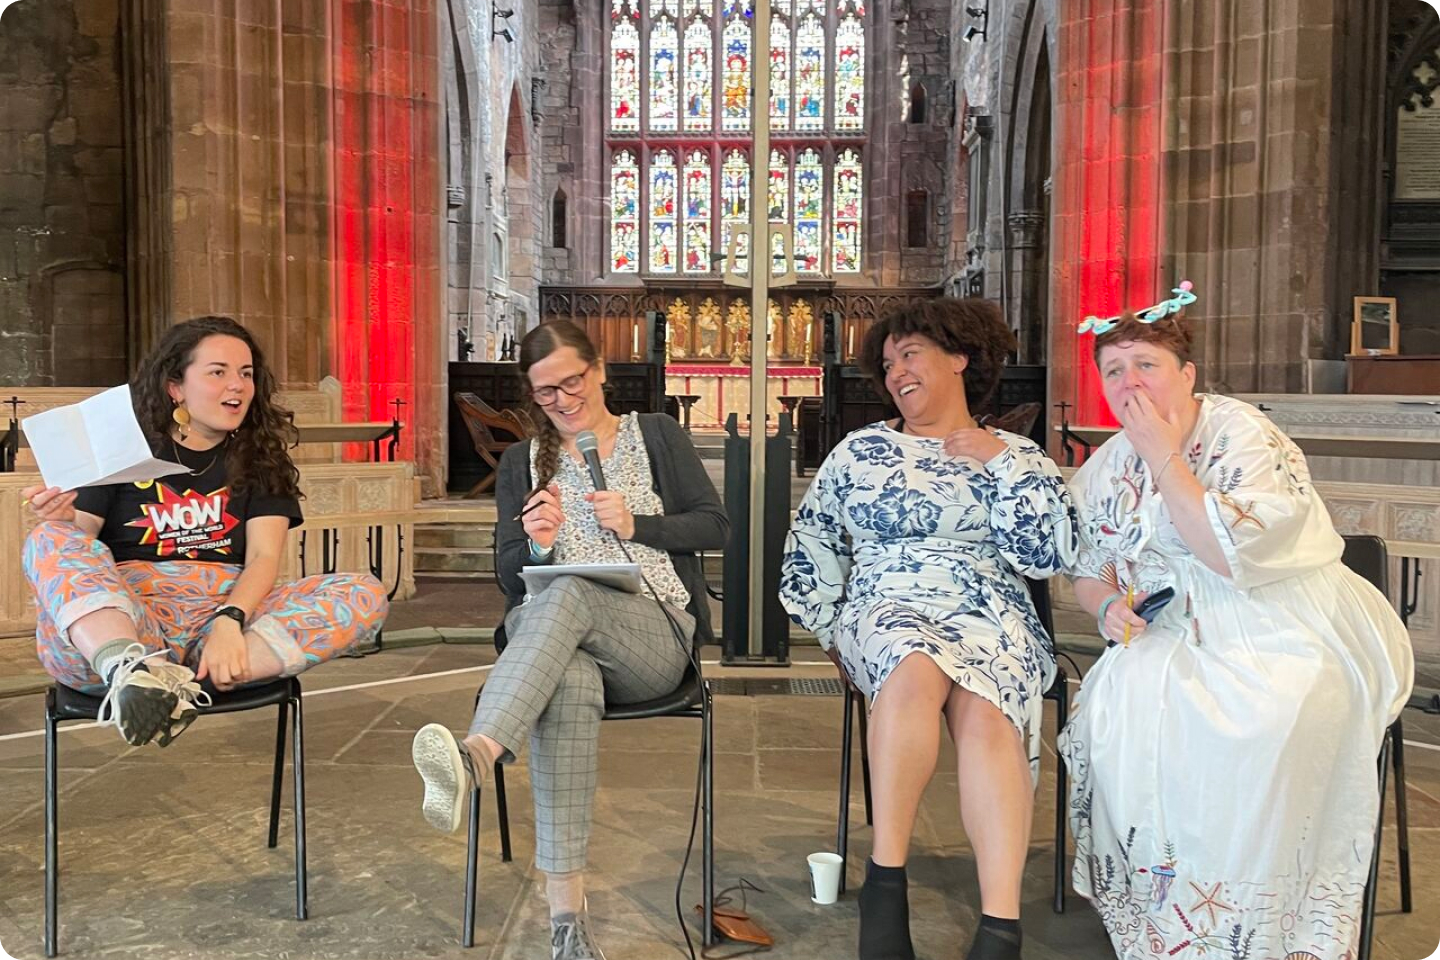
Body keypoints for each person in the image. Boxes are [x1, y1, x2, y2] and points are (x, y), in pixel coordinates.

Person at [1060, 287, 1414, 960]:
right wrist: (1107, 606)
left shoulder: (1241, 432)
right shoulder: (1108, 462)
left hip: (1280, 614)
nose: (1129, 382)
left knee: (1271, 714)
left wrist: (1164, 454)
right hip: (1174, 629)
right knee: (1124, 710)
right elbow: (1091, 565)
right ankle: (1175, 919)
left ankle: (1267, 924)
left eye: (1146, 364)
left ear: (1187, 374)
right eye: (1113, 370)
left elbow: (1227, 553)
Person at [410, 319, 727, 960]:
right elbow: (508, 576)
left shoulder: (656, 435)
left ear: (599, 370)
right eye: (545, 390)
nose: (561, 398)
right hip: (558, 649)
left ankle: (481, 749)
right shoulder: (524, 462)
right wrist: (537, 544)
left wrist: (641, 524)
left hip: (653, 634)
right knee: (568, 679)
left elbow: (716, 525)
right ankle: (567, 924)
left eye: (571, 381)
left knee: (571, 593)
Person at [780, 299, 1077, 960]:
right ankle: (886, 884)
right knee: (913, 663)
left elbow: (1047, 555)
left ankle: (1000, 927)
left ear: (960, 357)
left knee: (989, 710)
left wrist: (998, 462)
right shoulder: (862, 450)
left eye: (909, 354)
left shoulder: (1018, 453)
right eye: (887, 364)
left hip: (988, 609)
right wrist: (832, 632)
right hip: (886, 599)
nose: (896, 373)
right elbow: (812, 546)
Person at [22, 316, 389, 747]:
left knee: (364, 593)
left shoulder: (260, 461)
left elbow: (262, 560)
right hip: (128, 625)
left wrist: (229, 623)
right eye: (218, 372)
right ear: (176, 387)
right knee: (48, 538)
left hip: (219, 633)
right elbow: (79, 544)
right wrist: (61, 517)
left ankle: (179, 687)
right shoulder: (125, 453)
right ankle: (132, 673)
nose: (237, 385)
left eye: (246, 374)